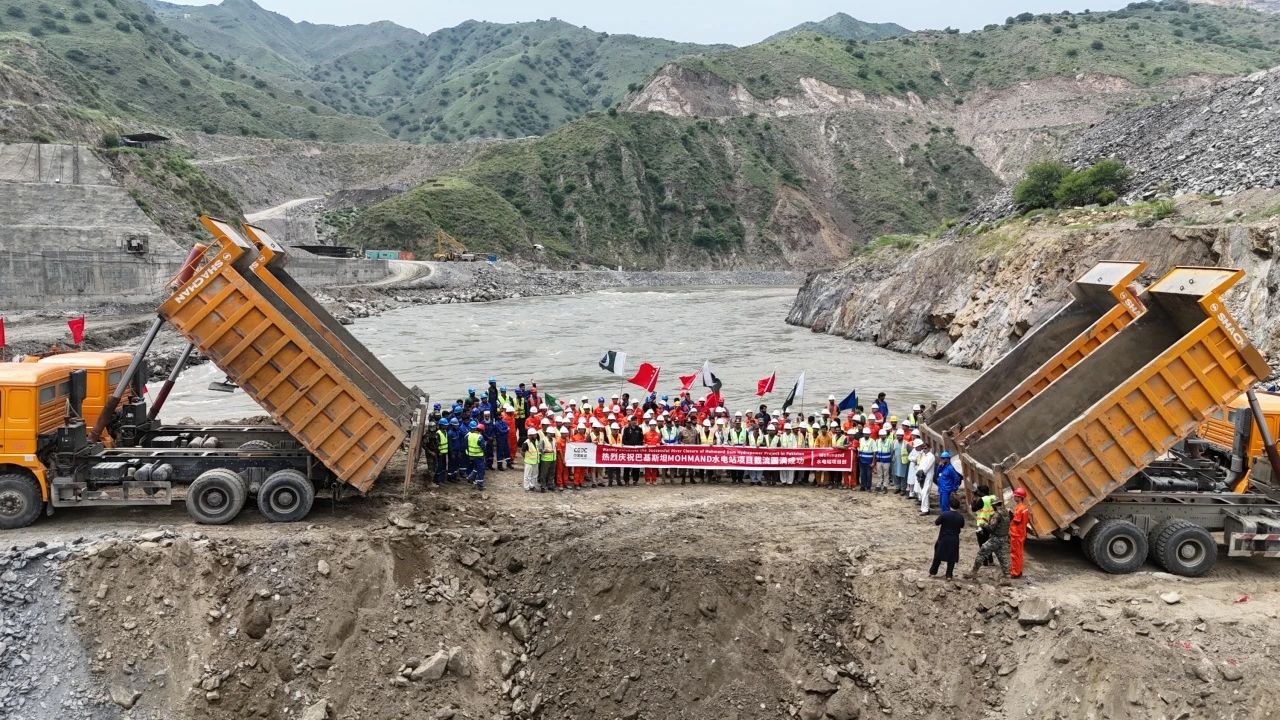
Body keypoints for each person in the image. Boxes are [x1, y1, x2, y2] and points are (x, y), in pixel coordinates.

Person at [970, 499, 1012, 581]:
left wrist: (983, 524)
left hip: (995, 539)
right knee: (1003, 558)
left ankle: (973, 572)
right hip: (1004, 538)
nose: (992, 507)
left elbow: (991, 528)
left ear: (994, 505)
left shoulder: (997, 515)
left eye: (992, 506)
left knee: (982, 553)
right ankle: (1007, 578)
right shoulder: (1006, 512)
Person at [930, 495, 965, 579]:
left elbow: (937, 523)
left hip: (943, 537)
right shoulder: (960, 517)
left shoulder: (945, 514)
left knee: (938, 555)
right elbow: (962, 526)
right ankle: (949, 575)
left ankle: (933, 572)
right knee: (952, 557)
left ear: (950, 505)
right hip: (954, 538)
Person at [1010, 488, 1031, 579]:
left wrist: (1010, 515)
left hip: (1016, 534)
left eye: (1015, 496)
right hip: (1021, 533)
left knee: (1015, 554)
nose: (1014, 497)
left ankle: (1015, 573)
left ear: (1019, 497)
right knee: (1019, 553)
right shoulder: (1024, 507)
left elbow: (1016, 520)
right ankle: (1019, 571)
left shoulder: (1019, 509)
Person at [622, 416, 644, 485]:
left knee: (636, 466)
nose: (634, 422)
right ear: (630, 421)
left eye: (635, 420)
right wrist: (629, 446)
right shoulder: (626, 429)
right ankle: (626, 481)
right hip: (628, 450)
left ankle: (635, 480)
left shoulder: (639, 429)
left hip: (637, 450)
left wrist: (638, 446)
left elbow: (641, 439)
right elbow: (624, 439)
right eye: (633, 420)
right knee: (627, 466)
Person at [917, 443, 937, 515]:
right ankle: (924, 508)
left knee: (925, 492)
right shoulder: (923, 455)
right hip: (921, 476)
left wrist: (921, 473)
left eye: (925, 448)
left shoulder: (931, 456)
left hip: (927, 477)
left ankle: (925, 510)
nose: (924, 450)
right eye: (923, 448)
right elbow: (920, 465)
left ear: (929, 448)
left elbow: (927, 467)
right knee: (922, 492)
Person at [465, 421, 487, 490]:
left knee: (476, 468)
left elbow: (466, 445)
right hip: (479, 456)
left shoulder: (469, 435)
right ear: (481, 431)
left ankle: (470, 477)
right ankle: (480, 485)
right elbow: (483, 447)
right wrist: (485, 453)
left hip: (471, 455)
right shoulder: (480, 437)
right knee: (481, 470)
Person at [537, 420, 557, 492]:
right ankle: (543, 486)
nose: (552, 435)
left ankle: (550, 485)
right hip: (545, 460)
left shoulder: (554, 440)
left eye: (552, 434)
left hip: (553, 459)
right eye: (550, 434)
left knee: (551, 473)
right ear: (547, 433)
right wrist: (547, 451)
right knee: (544, 474)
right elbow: (540, 449)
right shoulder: (543, 440)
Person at [891, 429, 909, 495]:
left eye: (900, 435)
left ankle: (903, 489)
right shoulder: (894, 442)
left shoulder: (906, 443)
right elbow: (892, 452)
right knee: (896, 475)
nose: (898, 436)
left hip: (903, 463)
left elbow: (910, 452)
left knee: (903, 476)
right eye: (897, 435)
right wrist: (892, 458)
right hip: (896, 462)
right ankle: (897, 488)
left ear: (903, 436)